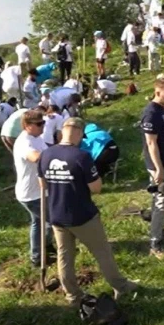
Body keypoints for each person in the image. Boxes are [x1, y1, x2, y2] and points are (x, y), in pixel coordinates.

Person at [38, 118, 138, 305]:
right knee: (102, 252)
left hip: (57, 214)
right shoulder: (81, 156)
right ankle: (121, 287)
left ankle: (73, 296)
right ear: (78, 132)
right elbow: (96, 188)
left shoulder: (46, 154)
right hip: (82, 215)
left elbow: (42, 184)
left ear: (63, 131)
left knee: (65, 255)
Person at [141, 78, 164, 258]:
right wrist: (159, 169)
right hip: (159, 165)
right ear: (157, 92)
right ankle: (155, 242)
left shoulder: (162, 109)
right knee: (162, 202)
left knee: (160, 200)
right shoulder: (151, 113)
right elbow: (151, 143)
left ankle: (160, 231)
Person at [12, 110, 52, 267]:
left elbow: (46, 150)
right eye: (39, 124)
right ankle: (39, 256)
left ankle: (42, 250)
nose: (43, 126)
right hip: (31, 194)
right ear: (27, 126)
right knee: (53, 220)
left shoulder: (37, 138)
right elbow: (35, 157)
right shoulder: (24, 142)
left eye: (44, 123)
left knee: (39, 222)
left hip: (40, 189)